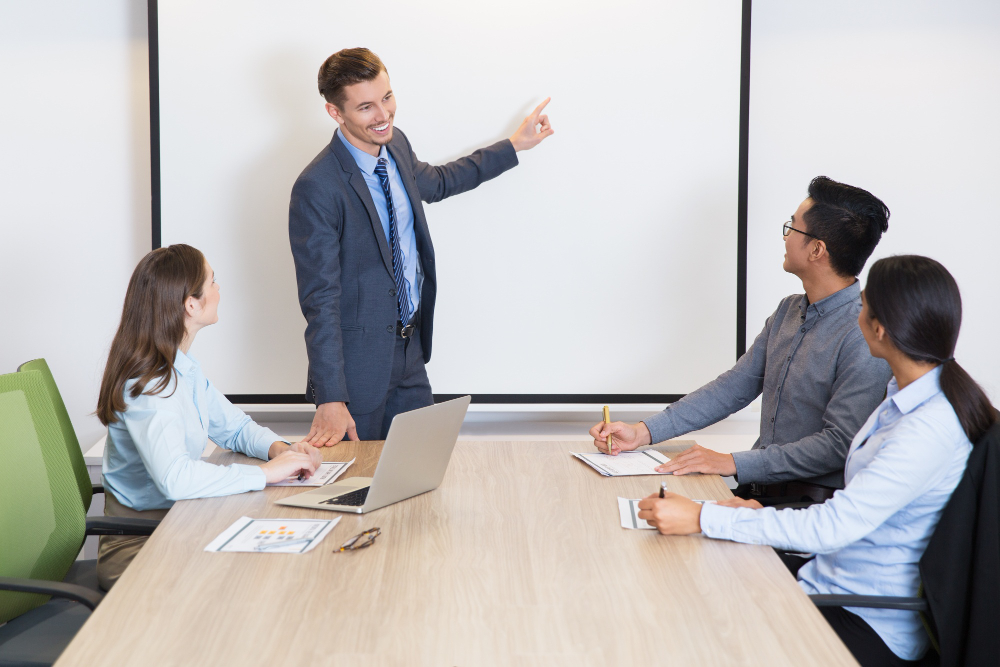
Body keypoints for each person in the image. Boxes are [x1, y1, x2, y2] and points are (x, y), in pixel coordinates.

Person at [637, 255, 997, 666]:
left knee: (699, 622)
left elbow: (834, 527)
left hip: (862, 612)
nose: (855, 314)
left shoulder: (926, 429)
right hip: (826, 577)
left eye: (862, 305)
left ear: (877, 328)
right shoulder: (905, 399)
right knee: (692, 580)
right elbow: (853, 510)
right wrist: (750, 515)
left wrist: (702, 517)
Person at [289, 47, 553, 444]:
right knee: (356, 490)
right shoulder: (317, 187)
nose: (384, 115)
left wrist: (515, 145)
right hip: (356, 371)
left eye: (387, 97)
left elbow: (441, 181)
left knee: (417, 475)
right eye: (366, 107)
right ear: (335, 112)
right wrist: (331, 396)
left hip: (410, 352)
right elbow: (320, 299)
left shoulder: (396, 148)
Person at [592, 176, 892, 504]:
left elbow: (839, 445)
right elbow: (733, 387)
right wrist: (642, 432)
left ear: (817, 249)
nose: (787, 235)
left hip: (806, 508)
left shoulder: (863, 333)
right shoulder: (789, 311)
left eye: (793, 227)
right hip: (754, 495)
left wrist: (732, 462)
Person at [95, 244, 321, 589]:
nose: (218, 290)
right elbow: (175, 478)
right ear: (191, 303)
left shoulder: (181, 368)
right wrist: (265, 474)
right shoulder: (149, 387)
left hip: (180, 524)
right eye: (213, 282)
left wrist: (281, 450)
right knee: (255, 578)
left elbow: (235, 428)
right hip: (142, 544)